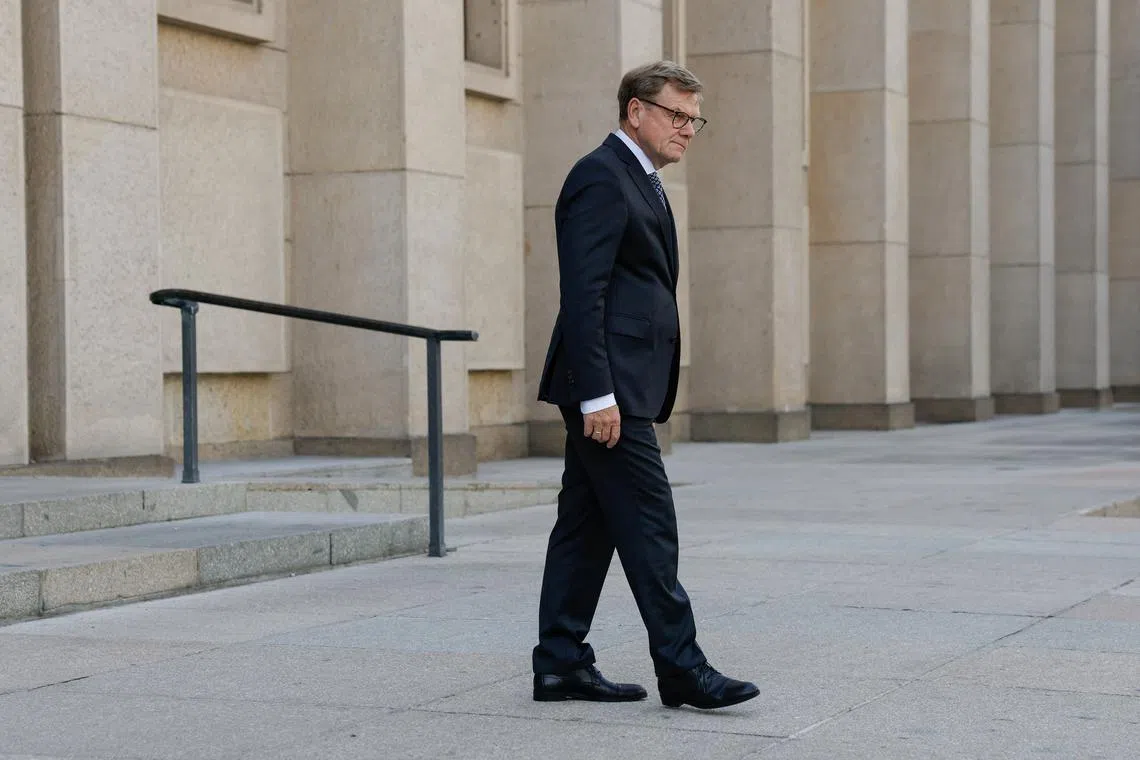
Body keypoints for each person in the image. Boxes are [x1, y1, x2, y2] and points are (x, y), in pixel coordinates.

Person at [531, 60, 760, 710]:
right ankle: (682, 668)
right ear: (636, 110)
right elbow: (584, 291)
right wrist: (599, 393)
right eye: (676, 115)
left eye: (695, 119)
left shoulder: (641, 179)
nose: (687, 129)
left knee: (585, 527)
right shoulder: (601, 177)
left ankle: (559, 662)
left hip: (621, 384)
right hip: (610, 391)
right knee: (650, 523)